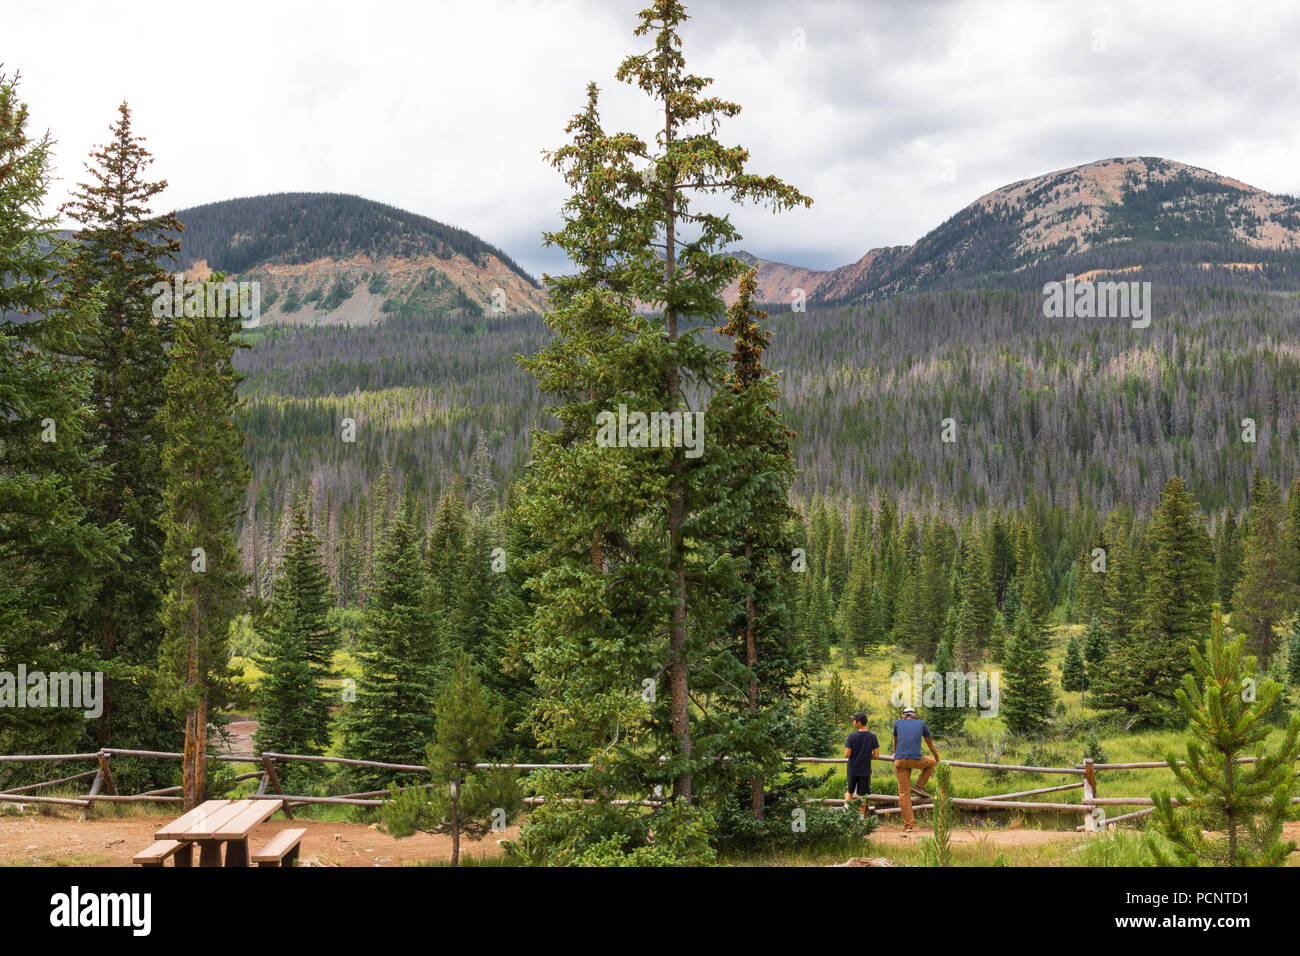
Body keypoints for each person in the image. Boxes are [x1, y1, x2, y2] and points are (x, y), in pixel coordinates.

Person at [892, 706, 939, 833]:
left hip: (899, 760)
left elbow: (895, 742)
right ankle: (919, 786)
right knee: (932, 763)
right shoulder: (921, 723)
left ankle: (908, 825)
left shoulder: (897, 723)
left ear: (903, 716)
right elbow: (930, 743)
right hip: (915, 759)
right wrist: (937, 758)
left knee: (903, 793)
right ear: (915, 716)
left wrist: (894, 754)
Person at [843, 711, 879, 818]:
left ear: (859, 723)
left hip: (852, 769)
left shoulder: (851, 736)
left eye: (854, 721)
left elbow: (847, 754)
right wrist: (867, 755)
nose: (853, 722)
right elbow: (876, 755)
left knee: (849, 792)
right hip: (865, 770)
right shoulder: (873, 737)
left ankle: (844, 815)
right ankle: (860, 819)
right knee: (862, 796)